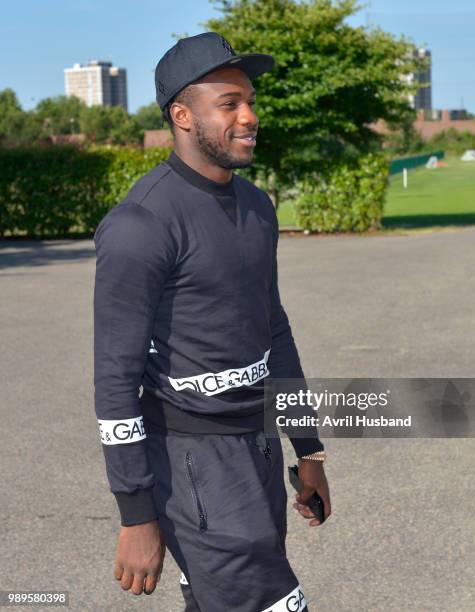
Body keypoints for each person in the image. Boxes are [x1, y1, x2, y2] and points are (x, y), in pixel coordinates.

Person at [93, 32, 331, 612]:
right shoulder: (141, 225)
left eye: (249, 100)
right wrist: (137, 514)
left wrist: (308, 450)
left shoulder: (256, 206)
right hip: (193, 463)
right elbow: (114, 381)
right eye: (229, 104)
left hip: (259, 448)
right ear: (182, 115)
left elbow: (274, 330)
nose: (249, 116)